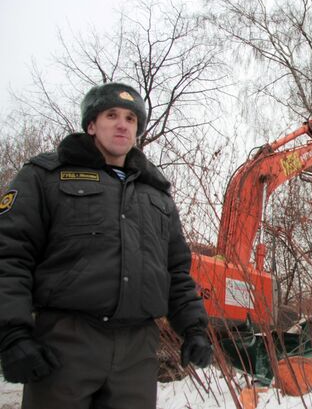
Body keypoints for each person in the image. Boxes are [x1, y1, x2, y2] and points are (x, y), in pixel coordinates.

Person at [0, 82, 213, 408]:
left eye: (130, 118)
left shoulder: (157, 195)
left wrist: (195, 328)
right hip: (66, 342)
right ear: (91, 125)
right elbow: (9, 255)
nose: (122, 124)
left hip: (137, 350)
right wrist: (12, 334)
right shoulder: (46, 177)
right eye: (111, 115)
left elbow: (175, 271)